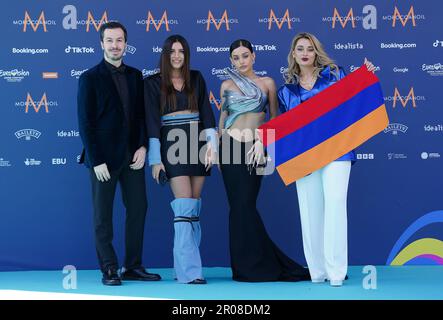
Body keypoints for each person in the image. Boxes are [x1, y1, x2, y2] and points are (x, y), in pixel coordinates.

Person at [278, 32, 376, 287]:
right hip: (304, 157)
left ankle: (336, 271)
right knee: (310, 212)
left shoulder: (334, 75)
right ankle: (317, 271)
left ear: (316, 51)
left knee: (334, 205)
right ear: (294, 54)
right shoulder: (286, 92)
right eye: (300, 48)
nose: (305, 53)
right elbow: (284, 128)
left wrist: (367, 77)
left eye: (310, 48)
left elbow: (354, 98)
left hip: (337, 151)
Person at [218, 39, 311, 282]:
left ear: (254, 57)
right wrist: (218, 148)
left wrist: (263, 142)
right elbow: (223, 118)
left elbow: (274, 118)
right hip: (229, 148)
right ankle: (243, 268)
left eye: (245, 56)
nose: (241, 61)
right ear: (231, 61)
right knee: (237, 209)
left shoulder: (267, 83)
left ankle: (264, 264)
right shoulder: (226, 84)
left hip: (255, 149)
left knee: (246, 205)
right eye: (236, 58)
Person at [77, 21, 161, 286]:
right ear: (101, 43)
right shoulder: (89, 78)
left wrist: (143, 146)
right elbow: (85, 123)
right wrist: (96, 159)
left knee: (139, 209)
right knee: (103, 215)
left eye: (119, 40)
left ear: (126, 43)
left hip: (132, 157)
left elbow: (139, 116)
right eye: (110, 40)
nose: (115, 45)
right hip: (103, 160)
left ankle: (133, 266)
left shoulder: (136, 76)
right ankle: (109, 268)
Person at [144, 35, 217, 285]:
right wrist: (155, 160)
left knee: (194, 208)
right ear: (165, 54)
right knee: (184, 205)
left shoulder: (196, 77)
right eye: (172, 51)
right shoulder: (152, 83)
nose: (177, 55)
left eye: (181, 51)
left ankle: (183, 267)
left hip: (197, 142)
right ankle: (190, 272)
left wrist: (212, 146)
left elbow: (207, 113)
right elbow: (152, 123)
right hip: (171, 144)